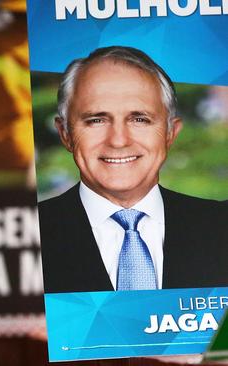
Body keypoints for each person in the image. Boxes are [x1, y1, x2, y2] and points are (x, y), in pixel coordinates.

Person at [39, 46, 228, 294]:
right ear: (65, 133)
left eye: (140, 119)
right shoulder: (22, 238)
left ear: (171, 133)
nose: (119, 140)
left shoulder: (220, 226)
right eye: (96, 119)